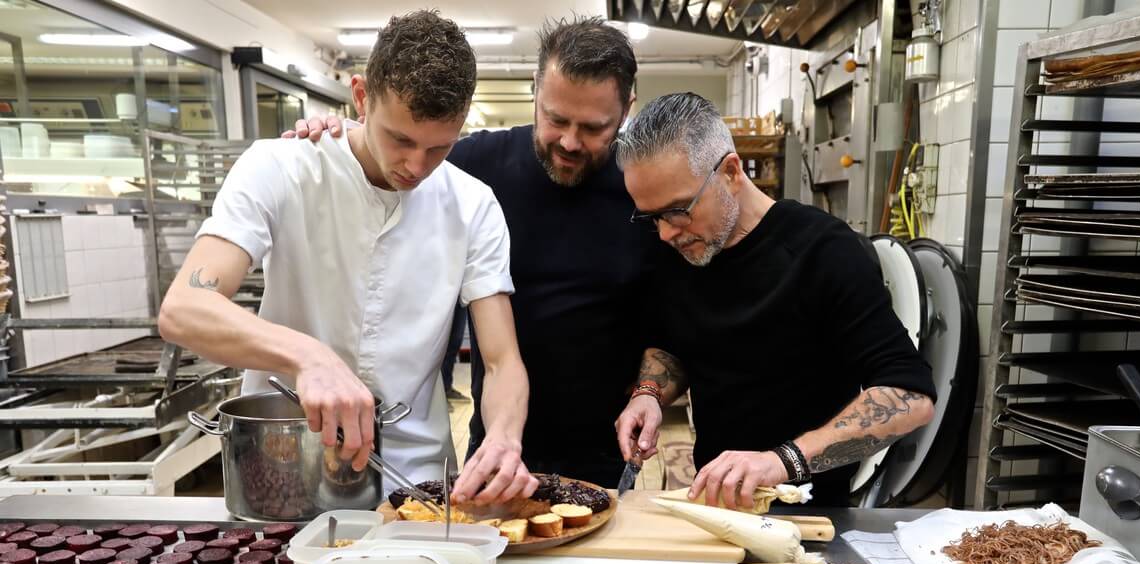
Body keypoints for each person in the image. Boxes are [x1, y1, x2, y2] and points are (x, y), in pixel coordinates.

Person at [159, 11, 537, 504]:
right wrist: (309, 356)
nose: (415, 166)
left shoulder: (473, 205)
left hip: (414, 475)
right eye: (399, 139)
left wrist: (504, 436)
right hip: (285, 464)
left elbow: (502, 357)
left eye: (439, 148)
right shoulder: (281, 167)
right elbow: (184, 310)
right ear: (361, 97)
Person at [287, 17, 659, 488]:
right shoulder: (471, 168)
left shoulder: (643, 192)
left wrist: (649, 391)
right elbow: (391, 166)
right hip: (494, 447)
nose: (568, 141)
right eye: (555, 119)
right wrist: (341, 140)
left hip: (608, 454)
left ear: (626, 110)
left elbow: (669, 318)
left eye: (592, 128)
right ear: (535, 90)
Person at [613, 93, 937, 509]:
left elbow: (910, 396)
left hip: (812, 512)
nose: (664, 233)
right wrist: (648, 394)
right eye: (652, 217)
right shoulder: (680, 249)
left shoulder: (824, 251)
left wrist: (781, 461)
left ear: (731, 171)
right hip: (716, 504)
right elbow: (678, 347)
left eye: (678, 211)